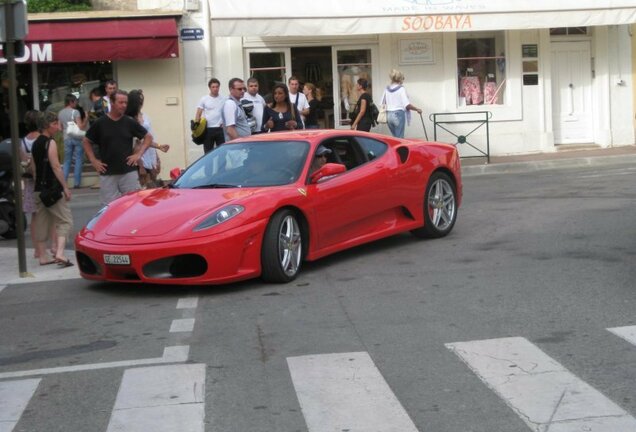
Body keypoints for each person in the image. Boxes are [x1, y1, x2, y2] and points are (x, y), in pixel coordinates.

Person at [83, 89, 152, 205]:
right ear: (112, 102)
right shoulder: (100, 123)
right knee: (109, 208)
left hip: (128, 172)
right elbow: (86, 141)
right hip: (108, 173)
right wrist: (93, 160)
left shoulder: (129, 122)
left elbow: (148, 137)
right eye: (121, 102)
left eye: (126, 102)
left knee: (133, 205)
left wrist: (138, 154)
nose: (124, 105)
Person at [31, 111, 74, 267]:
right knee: (65, 220)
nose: (58, 126)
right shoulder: (51, 143)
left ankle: (43, 256)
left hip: (38, 190)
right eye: (56, 123)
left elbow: (33, 168)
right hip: (51, 189)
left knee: (42, 222)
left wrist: (37, 185)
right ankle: (60, 253)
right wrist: (65, 187)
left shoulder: (35, 143)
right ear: (49, 125)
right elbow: (56, 166)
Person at [126, 90, 170, 188]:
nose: (141, 103)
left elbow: (150, 137)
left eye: (142, 100)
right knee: (143, 184)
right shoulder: (129, 119)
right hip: (139, 155)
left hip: (150, 152)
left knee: (153, 184)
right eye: (139, 101)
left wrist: (157, 154)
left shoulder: (145, 116)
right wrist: (140, 165)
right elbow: (138, 142)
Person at [58, 94, 87, 189]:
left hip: (66, 137)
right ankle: (76, 183)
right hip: (77, 138)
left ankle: (64, 183)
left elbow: (59, 128)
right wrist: (86, 119)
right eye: (75, 102)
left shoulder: (60, 113)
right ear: (71, 102)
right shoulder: (76, 112)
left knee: (67, 161)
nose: (76, 103)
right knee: (78, 159)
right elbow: (80, 127)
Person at [382, 69, 422, 138]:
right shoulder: (401, 89)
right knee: (399, 138)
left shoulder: (387, 88)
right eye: (403, 79)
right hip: (398, 115)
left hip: (388, 115)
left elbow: (382, 102)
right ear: (399, 79)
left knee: (395, 138)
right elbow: (407, 105)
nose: (403, 81)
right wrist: (417, 109)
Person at [194, 78, 225, 153]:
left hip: (220, 129)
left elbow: (227, 112)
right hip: (208, 129)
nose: (215, 89)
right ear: (209, 88)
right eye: (213, 87)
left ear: (219, 87)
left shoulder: (224, 99)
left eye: (217, 87)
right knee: (208, 153)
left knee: (222, 152)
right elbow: (198, 113)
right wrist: (196, 126)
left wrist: (225, 123)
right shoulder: (204, 99)